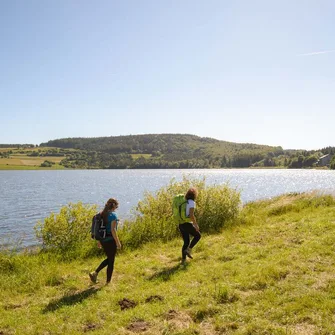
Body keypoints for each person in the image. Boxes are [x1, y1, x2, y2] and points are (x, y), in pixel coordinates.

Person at [89, 198, 122, 285]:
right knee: (111, 261)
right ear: (114, 206)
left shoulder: (100, 214)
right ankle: (107, 282)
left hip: (103, 240)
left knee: (109, 259)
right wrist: (118, 242)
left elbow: (98, 229)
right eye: (116, 207)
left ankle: (95, 273)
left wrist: (99, 241)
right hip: (110, 240)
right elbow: (113, 230)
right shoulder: (113, 216)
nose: (116, 209)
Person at [179, 187, 201, 263]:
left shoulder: (184, 202)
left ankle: (183, 260)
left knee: (186, 242)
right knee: (198, 236)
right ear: (194, 195)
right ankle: (189, 250)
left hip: (181, 224)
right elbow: (191, 215)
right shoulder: (192, 202)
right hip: (187, 224)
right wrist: (196, 225)